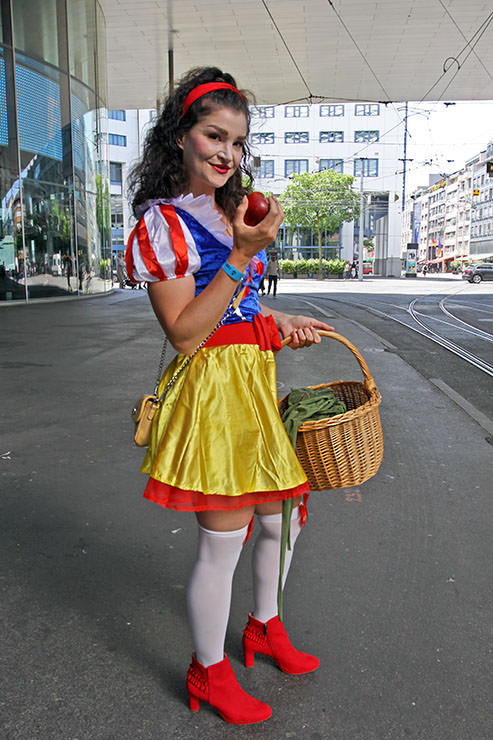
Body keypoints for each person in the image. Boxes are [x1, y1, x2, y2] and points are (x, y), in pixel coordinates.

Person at [125, 67, 333, 726]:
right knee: (226, 537)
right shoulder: (163, 223)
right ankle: (207, 670)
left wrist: (279, 327)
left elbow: (237, 315)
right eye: (214, 135)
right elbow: (187, 336)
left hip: (251, 383)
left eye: (237, 142)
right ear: (180, 138)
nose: (226, 153)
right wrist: (242, 255)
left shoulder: (234, 209)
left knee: (283, 517)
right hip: (211, 399)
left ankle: (263, 628)